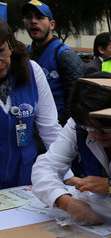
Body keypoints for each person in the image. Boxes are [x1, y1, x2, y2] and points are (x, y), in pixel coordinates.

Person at [31, 73, 111, 224]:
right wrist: (65, 202)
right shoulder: (78, 125)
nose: (98, 135)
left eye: (106, 128)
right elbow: (46, 167)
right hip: (104, 213)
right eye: (90, 128)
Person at [0, 18, 61, 188]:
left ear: (10, 47)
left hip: (25, 181)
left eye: (1, 52)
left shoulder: (31, 71)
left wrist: (66, 174)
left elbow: (50, 128)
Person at [22, 0, 85, 126]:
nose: (33, 21)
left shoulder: (64, 55)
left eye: (39, 17)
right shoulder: (24, 55)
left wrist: (61, 127)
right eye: (28, 17)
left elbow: (77, 98)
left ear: (52, 24)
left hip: (56, 130)